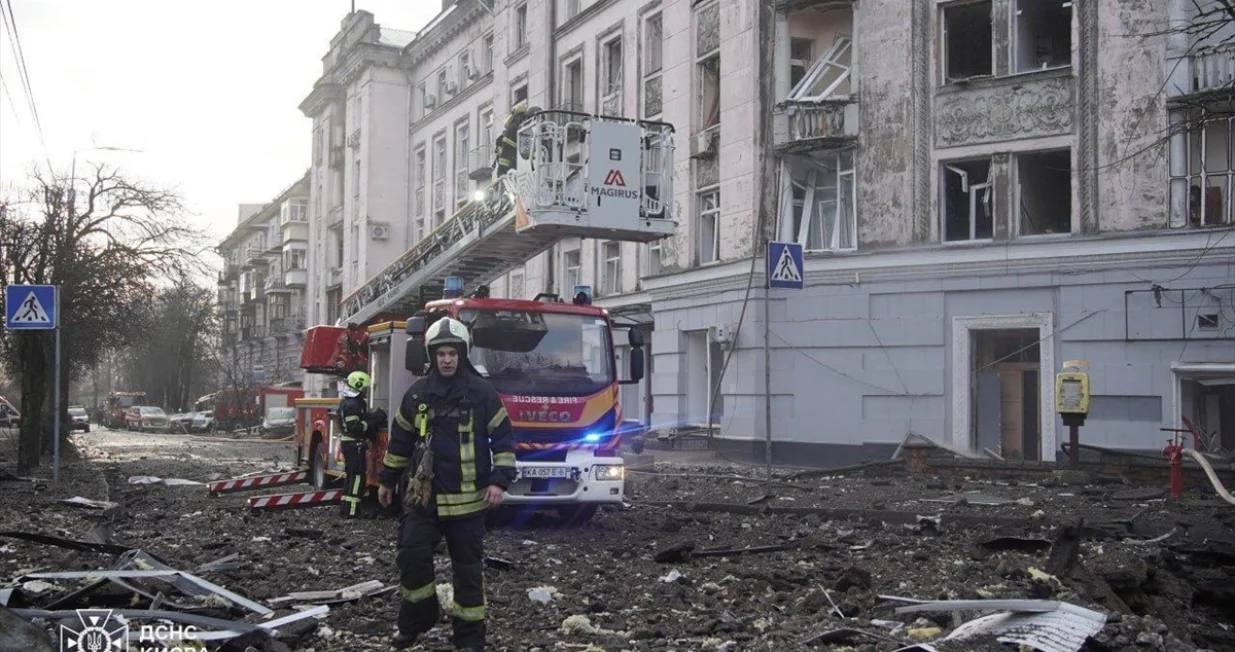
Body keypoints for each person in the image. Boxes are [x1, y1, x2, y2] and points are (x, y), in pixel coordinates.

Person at [378, 317, 517, 651]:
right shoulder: (418, 394)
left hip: (469, 503)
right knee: (410, 556)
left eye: (452, 353)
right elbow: (399, 440)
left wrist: (499, 481)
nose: (447, 359)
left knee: (468, 574)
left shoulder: (482, 393)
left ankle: (469, 640)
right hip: (423, 499)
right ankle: (417, 620)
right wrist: (386, 480)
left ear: (462, 354)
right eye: (441, 353)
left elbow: (503, 440)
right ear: (432, 356)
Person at [493, 103, 541, 178]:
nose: (525, 120)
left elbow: (526, 154)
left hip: (512, 168)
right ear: (518, 117)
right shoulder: (513, 129)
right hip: (508, 170)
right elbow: (507, 152)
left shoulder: (522, 130)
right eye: (524, 117)